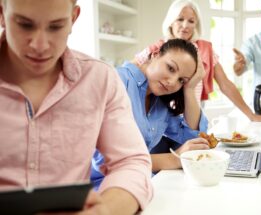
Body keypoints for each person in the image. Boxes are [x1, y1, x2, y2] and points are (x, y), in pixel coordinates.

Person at [0, 0, 153, 214]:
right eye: (25, 24)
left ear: (73, 18)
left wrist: (106, 210)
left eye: (56, 26)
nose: (40, 45)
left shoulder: (100, 79)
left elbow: (131, 162)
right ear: (1, 13)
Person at [91, 39, 211, 187]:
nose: (172, 82)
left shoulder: (160, 102)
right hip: (102, 190)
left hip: (142, 183)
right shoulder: (118, 81)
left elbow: (195, 138)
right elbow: (108, 162)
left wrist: (190, 88)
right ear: (155, 55)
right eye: (171, 68)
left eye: (181, 80)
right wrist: (175, 159)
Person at [134, 0, 261, 122]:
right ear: (171, 21)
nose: (185, 26)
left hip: (191, 119)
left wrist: (251, 115)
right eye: (180, 19)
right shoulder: (159, 49)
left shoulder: (205, 51)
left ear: (196, 25)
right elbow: (129, 72)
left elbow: (225, 85)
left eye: (191, 21)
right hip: (161, 119)